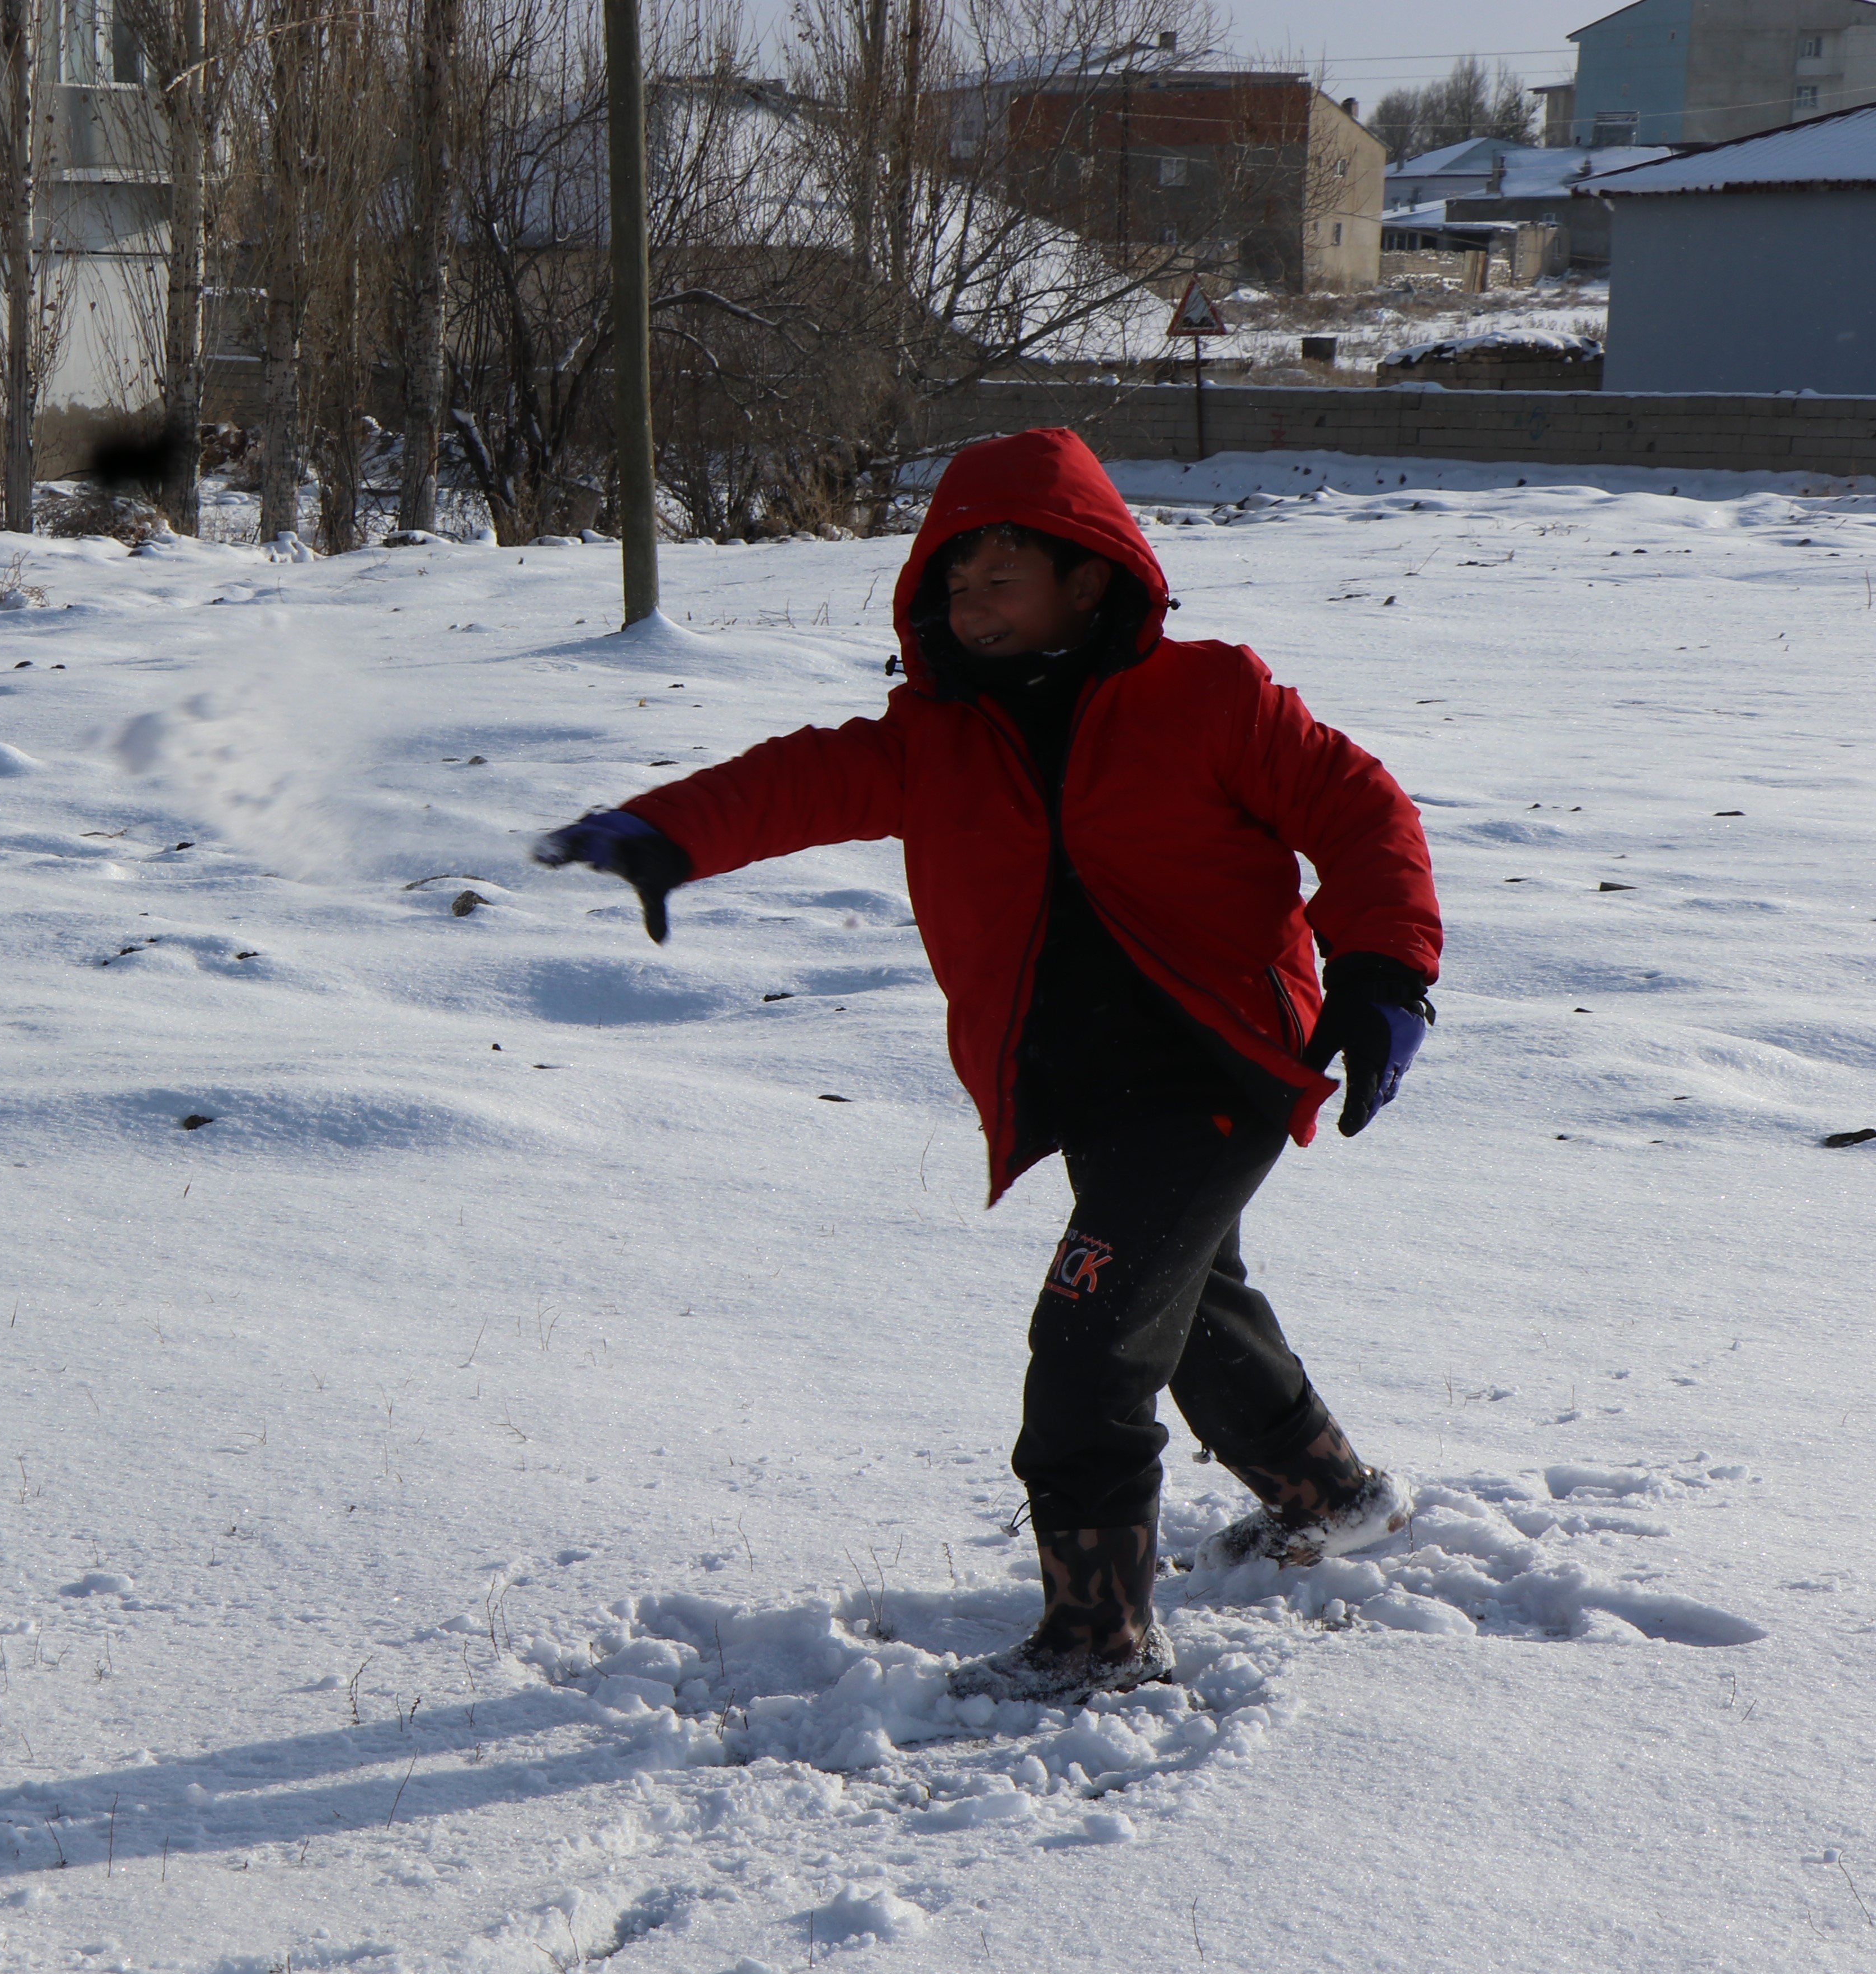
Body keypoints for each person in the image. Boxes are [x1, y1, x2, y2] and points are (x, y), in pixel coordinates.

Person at [535, 428, 1442, 1703]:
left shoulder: (1211, 697)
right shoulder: (936, 735)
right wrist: (667, 832)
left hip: (1220, 1067)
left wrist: (1385, 975)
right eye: (950, 587)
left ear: (1087, 576)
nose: (968, 606)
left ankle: (1101, 1638)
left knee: (1090, 1343)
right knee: (1180, 1305)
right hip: (1090, 1090)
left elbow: (1362, 812)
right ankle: (1330, 1493)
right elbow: (797, 781)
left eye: (998, 579)